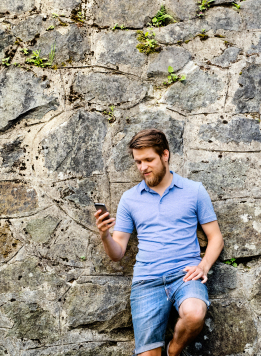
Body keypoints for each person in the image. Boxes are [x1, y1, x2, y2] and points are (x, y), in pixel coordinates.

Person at [94, 129, 224, 356]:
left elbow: (216, 238)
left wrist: (203, 266)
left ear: (165, 155)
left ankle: (173, 351)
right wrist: (105, 235)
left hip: (185, 274)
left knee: (194, 314)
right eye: (138, 162)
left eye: (148, 160)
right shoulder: (129, 198)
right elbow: (117, 253)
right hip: (147, 281)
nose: (143, 167)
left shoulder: (194, 191)